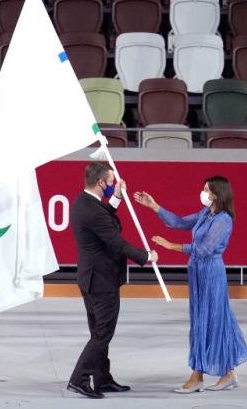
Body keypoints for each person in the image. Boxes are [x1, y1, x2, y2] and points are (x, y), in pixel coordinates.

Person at [134, 176, 247, 393]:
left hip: (211, 274)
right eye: (203, 188)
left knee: (209, 322)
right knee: (210, 320)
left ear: (217, 194)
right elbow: (178, 222)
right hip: (197, 272)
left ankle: (197, 375)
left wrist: (171, 246)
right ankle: (228, 373)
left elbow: (205, 249)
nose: (203, 192)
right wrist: (154, 206)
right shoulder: (206, 214)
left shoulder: (224, 220)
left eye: (207, 189)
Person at [67, 161, 159, 399]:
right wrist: (146, 256)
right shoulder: (93, 211)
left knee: (99, 331)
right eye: (111, 182)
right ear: (101, 182)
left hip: (90, 278)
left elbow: (104, 216)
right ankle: (79, 379)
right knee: (102, 333)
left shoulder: (83, 202)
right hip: (101, 281)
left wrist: (116, 197)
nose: (113, 184)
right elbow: (116, 243)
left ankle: (102, 378)